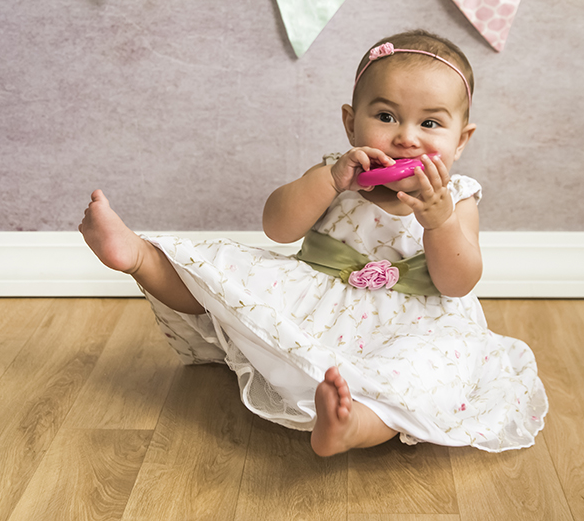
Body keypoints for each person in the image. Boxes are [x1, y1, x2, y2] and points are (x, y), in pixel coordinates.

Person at [80, 30, 546, 456]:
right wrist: (329, 181)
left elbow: (457, 282)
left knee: (430, 370)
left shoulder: (458, 198)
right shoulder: (338, 172)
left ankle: (353, 422)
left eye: (430, 124)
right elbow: (277, 229)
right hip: (319, 299)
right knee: (228, 271)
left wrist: (440, 222)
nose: (405, 137)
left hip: (418, 323)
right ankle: (140, 256)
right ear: (351, 123)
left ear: (460, 140)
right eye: (386, 116)